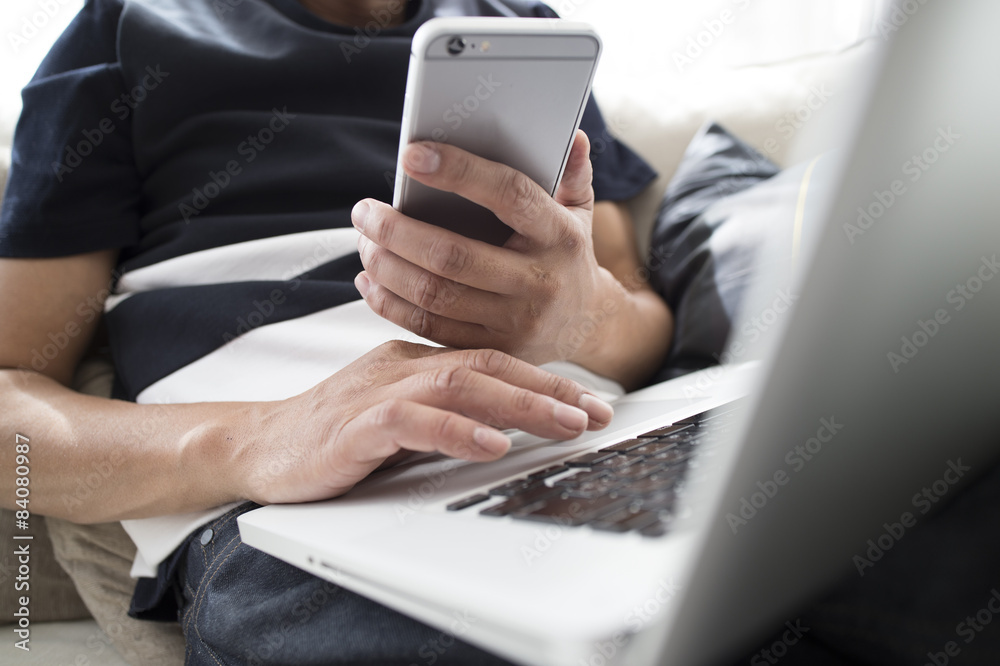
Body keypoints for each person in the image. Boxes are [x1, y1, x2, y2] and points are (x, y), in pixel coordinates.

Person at [0, 0, 670, 662]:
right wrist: (255, 437)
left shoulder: (526, 29)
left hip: (582, 436)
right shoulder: (126, 25)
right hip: (301, 493)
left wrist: (585, 318)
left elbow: (640, 321)